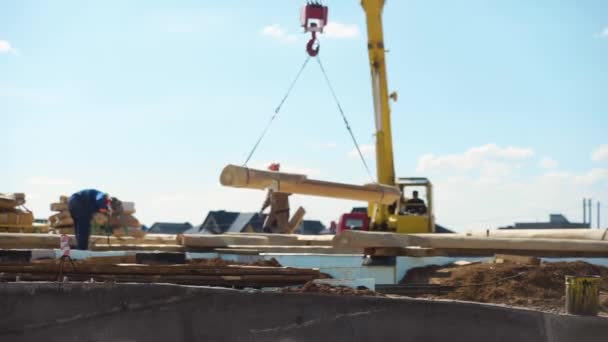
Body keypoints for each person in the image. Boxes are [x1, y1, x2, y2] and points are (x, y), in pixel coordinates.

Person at [260, 163, 291, 234]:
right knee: (266, 228)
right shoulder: (271, 183)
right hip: (273, 212)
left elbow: (290, 192)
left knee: (283, 232)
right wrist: (262, 208)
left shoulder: (282, 182)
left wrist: (281, 188)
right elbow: (268, 199)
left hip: (282, 212)